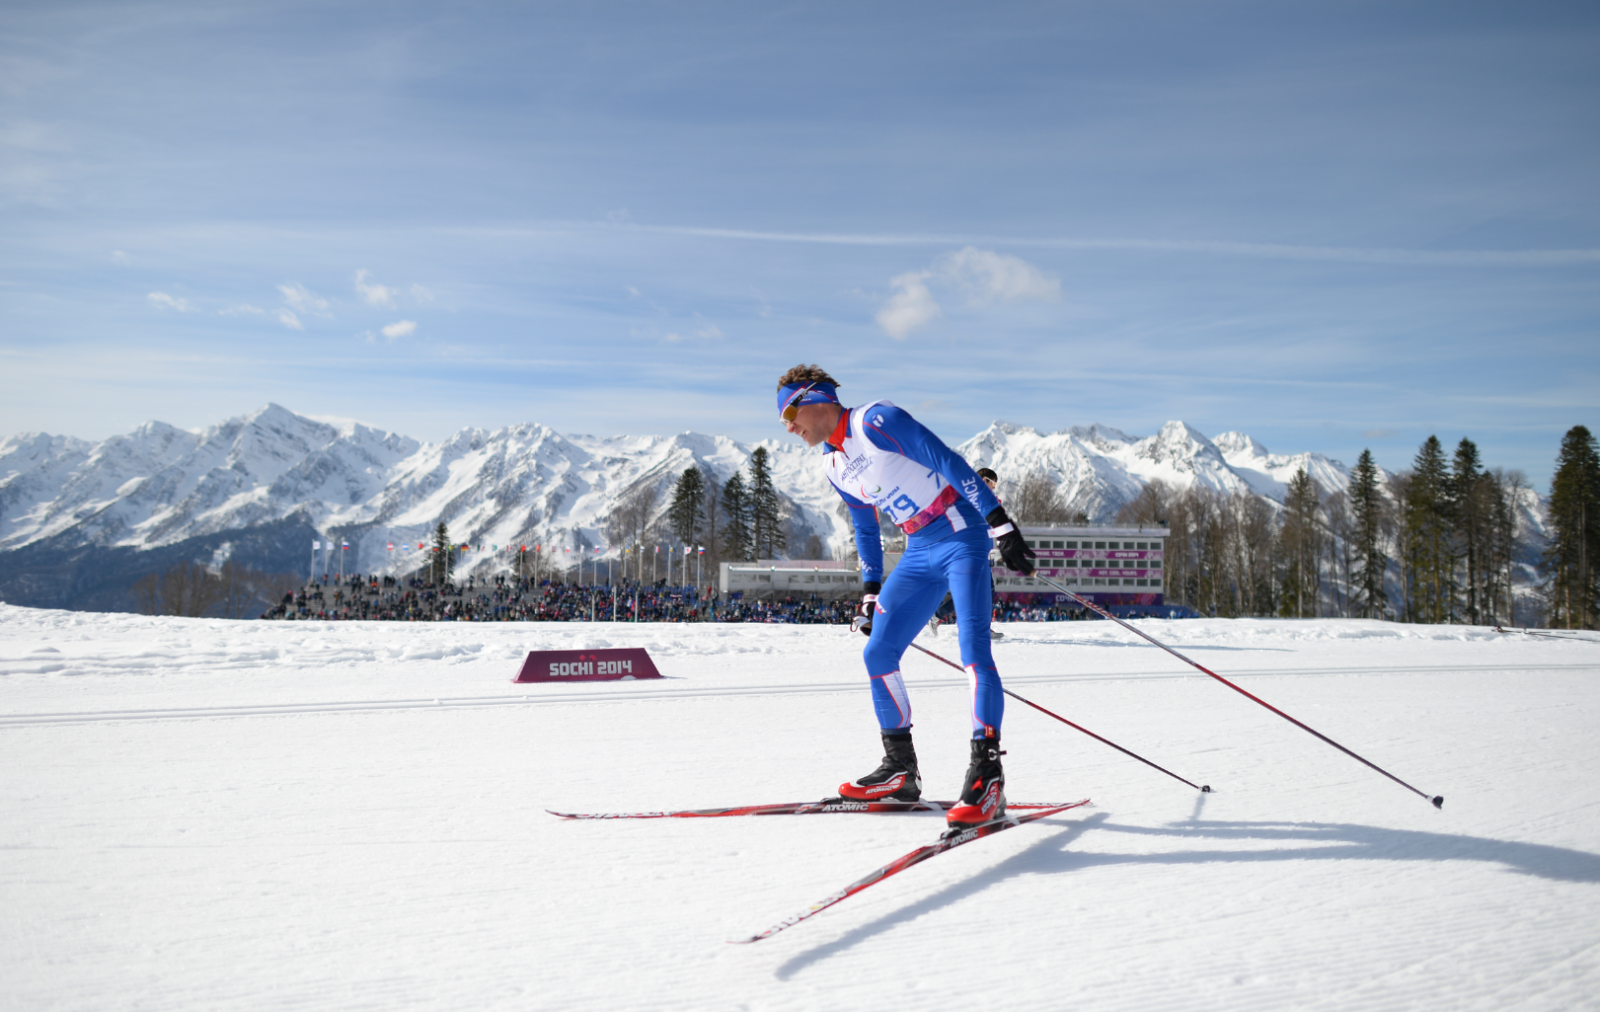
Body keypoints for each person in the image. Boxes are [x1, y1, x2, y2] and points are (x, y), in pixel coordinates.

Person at [777, 364, 1036, 828]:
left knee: (973, 647)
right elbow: (864, 524)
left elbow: (946, 461)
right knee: (878, 651)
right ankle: (900, 771)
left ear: (817, 399)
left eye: (791, 413)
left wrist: (998, 522)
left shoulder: (876, 420)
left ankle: (987, 775)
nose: (789, 426)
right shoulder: (833, 463)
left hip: (959, 533)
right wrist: (871, 591)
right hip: (918, 549)